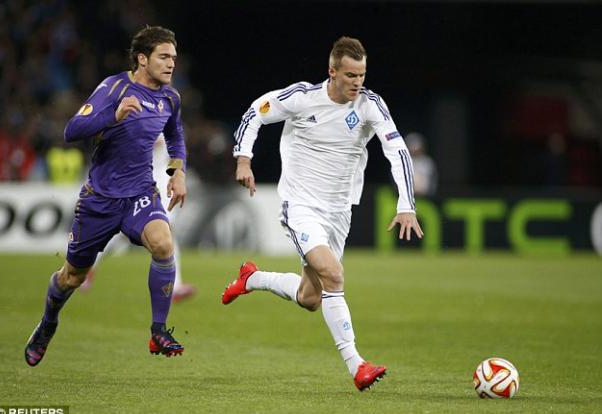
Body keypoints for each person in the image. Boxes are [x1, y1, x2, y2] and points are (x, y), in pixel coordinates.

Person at [222, 36, 423, 391]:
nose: (357, 83)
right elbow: (256, 112)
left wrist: (406, 204)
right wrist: (243, 158)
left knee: (310, 298)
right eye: (350, 75)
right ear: (332, 71)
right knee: (333, 274)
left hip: (339, 211)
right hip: (300, 205)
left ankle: (251, 278)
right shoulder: (302, 98)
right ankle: (357, 366)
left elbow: (398, 151)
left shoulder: (369, 104)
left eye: (361, 75)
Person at [25, 26, 188, 366]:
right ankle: (47, 324)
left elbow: (175, 138)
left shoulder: (170, 97)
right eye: (164, 57)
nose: (172, 64)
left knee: (163, 243)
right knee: (72, 276)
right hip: (100, 199)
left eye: (173, 57)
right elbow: (72, 130)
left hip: (141, 193)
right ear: (143, 59)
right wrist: (113, 116)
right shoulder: (113, 88)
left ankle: (158, 330)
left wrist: (178, 173)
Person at [81, 134, 196, 303]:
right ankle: (87, 264)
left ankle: (175, 286)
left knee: (148, 232)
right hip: (143, 180)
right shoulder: (141, 115)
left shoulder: (166, 114)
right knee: (141, 231)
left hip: (163, 178)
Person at [404, 132, 438, 196]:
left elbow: (432, 183)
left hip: (425, 197)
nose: (414, 150)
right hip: (407, 197)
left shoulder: (427, 162)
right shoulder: (402, 162)